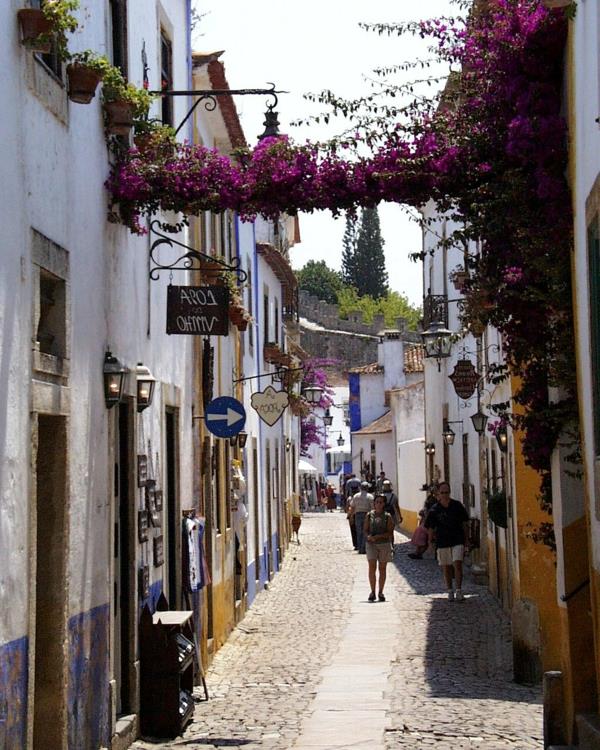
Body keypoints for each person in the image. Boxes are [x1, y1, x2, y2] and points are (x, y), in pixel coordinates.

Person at [425, 482, 470, 601]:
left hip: (457, 539)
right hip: (442, 541)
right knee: (446, 567)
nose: (445, 495)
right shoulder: (435, 509)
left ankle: (459, 590)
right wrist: (430, 542)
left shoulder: (457, 506)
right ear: (438, 494)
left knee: (458, 564)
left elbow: (464, 523)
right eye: (443, 492)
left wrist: (466, 540)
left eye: (447, 492)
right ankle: (450, 590)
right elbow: (430, 527)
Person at [364, 494, 395, 601]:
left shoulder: (387, 516)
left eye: (381, 502)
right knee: (372, 567)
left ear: (384, 504)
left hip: (384, 544)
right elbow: (365, 529)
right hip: (371, 544)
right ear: (374, 503)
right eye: (377, 502)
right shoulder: (369, 515)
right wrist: (368, 537)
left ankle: (381, 591)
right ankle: (372, 591)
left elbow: (390, 533)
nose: (378, 504)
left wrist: (378, 537)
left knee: (382, 568)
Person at [349, 481, 374, 554]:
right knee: (366, 531)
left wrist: (351, 516)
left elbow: (352, 507)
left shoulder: (356, 496)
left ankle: (360, 548)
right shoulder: (370, 496)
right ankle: (364, 548)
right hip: (367, 515)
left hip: (358, 515)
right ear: (367, 488)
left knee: (359, 531)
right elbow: (372, 508)